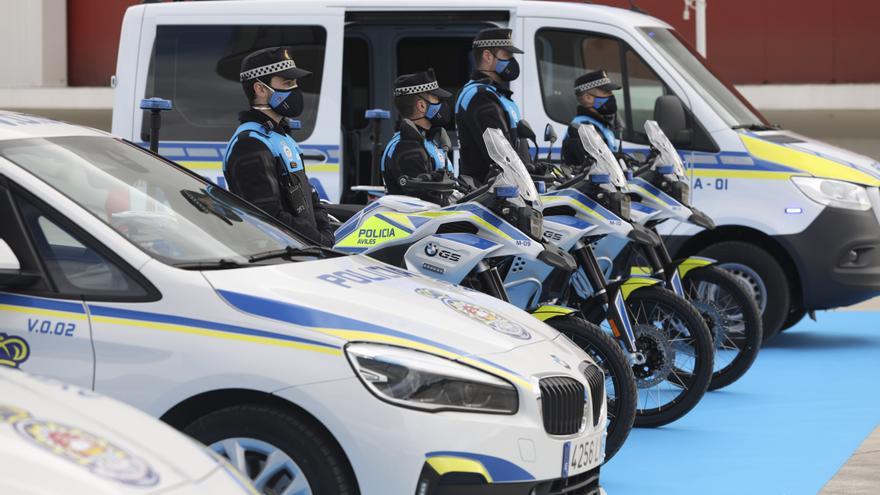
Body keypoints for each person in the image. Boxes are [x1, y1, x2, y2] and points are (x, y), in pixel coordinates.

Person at [223, 46, 334, 246]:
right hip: (280, 259)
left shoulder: (281, 136)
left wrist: (325, 234)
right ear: (260, 89)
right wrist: (317, 241)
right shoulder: (250, 143)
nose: (295, 89)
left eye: (295, 83)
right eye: (288, 83)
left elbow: (310, 197)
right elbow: (268, 216)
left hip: (305, 250)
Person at [455, 27, 531, 185]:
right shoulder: (480, 96)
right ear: (488, 56)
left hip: (507, 189)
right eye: (506, 55)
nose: (511, 61)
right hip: (492, 193)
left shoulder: (495, 94)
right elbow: (500, 153)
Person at [381, 69, 455, 206]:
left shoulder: (427, 141)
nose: (441, 104)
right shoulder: (407, 149)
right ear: (421, 105)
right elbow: (427, 201)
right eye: (436, 99)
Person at [561, 70, 623, 167]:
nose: (612, 96)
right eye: (606, 92)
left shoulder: (599, 125)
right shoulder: (582, 129)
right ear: (588, 98)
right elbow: (593, 169)